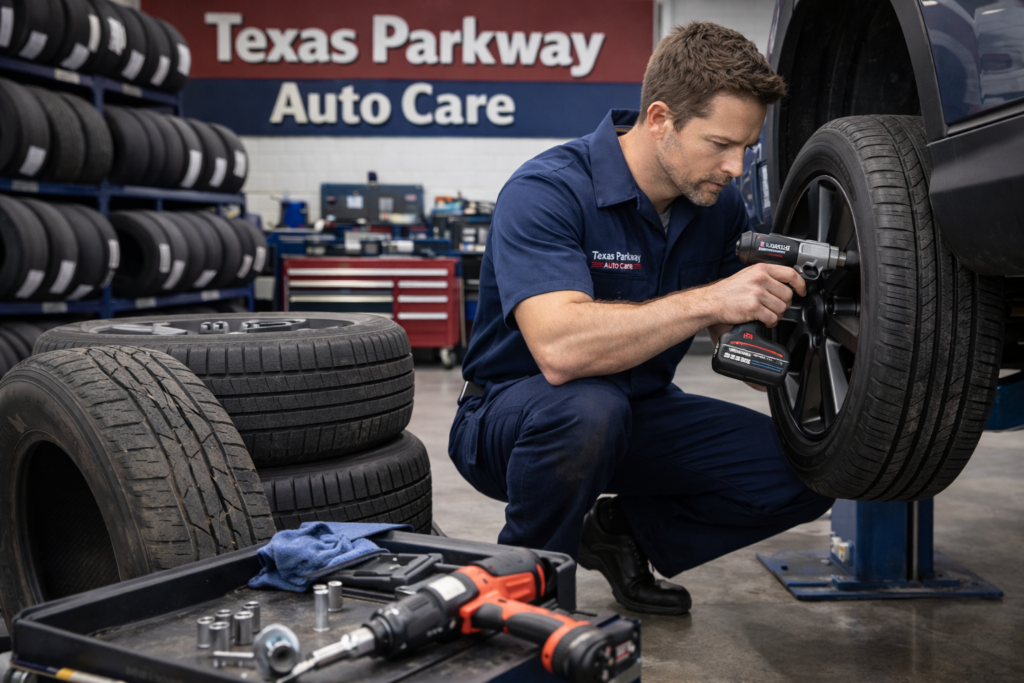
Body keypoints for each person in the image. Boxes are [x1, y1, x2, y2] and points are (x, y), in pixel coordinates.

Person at [448, 22, 834, 615]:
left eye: (747, 148)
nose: (736, 167)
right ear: (660, 120)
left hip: (636, 412)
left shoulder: (716, 204)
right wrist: (712, 300)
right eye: (720, 144)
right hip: (512, 417)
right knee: (587, 407)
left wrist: (768, 331)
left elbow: (729, 334)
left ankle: (615, 529)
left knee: (806, 471)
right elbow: (560, 351)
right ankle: (526, 595)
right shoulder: (547, 191)